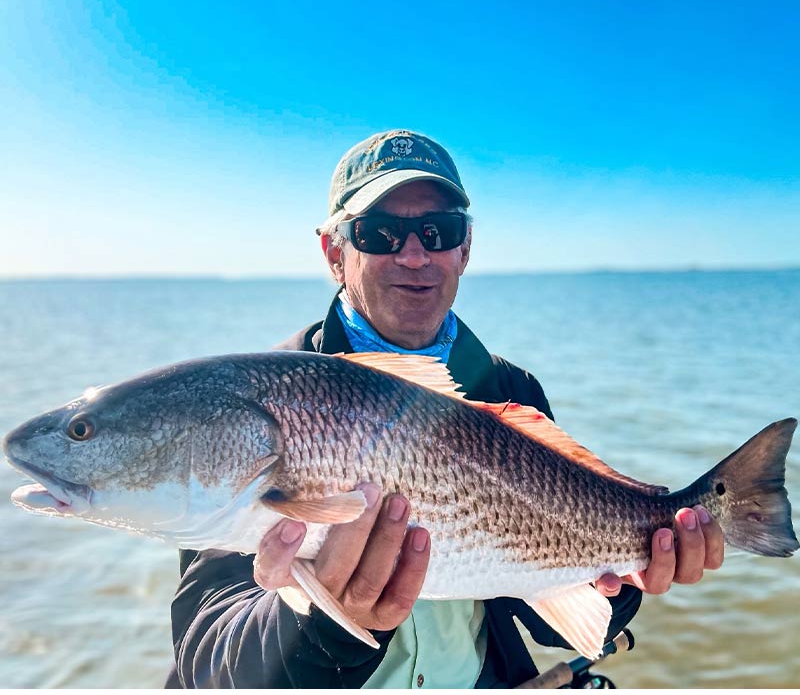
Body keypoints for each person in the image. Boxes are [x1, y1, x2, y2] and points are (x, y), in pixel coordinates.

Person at [166, 129, 725, 688]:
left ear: (465, 248)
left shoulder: (509, 388)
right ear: (335, 253)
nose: (415, 255)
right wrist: (329, 628)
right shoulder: (264, 405)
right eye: (380, 233)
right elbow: (207, 660)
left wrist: (629, 572)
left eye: (439, 231)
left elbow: (552, 614)